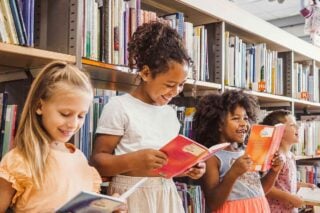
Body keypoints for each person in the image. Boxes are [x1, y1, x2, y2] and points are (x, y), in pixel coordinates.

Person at [90, 21, 206, 213]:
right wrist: (133, 160)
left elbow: (167, 166)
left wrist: (188, 168)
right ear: (145, 73)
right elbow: (97, 162)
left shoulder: (170, 114)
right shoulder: (119, 107)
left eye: (181, 85)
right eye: (169, 84)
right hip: (130, 196)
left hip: (166, 194)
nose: (175, 91)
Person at [0, 61, 124, 212]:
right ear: (39, 107)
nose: (73, 124)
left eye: (81, 116)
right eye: (65, 114)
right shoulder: (19, 160)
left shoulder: (80, 159)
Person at [192, 90, 284, 213]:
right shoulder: (212, 157)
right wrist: (233, 173)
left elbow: (260, 190)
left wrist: (274, 171)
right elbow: (213, 203)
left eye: (246, 118)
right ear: (219, 124)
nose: (243, 124)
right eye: (236, 118)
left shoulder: (246, 150)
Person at [261, 109, 316, 213]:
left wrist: (304, 186)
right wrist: (290, 198)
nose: (298, 127)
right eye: (292, 125)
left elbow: (284, 182)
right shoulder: (276, 157)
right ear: (279, 131)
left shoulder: (290, 156)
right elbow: (267, 188)